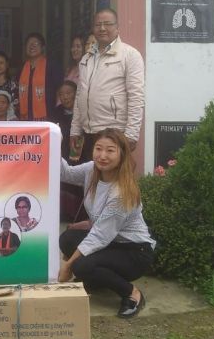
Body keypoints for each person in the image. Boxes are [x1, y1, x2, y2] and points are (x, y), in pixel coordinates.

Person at [58, 128, 155, 318]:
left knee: (80, 266)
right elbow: (65, 173)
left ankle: (131, 293)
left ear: (122, 154)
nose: (102, 156)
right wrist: (54, 141)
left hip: (135, 252)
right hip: (112, 242)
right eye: (98, 148)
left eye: (110, 150)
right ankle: (98, 280)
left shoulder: (121, 192)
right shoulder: (91, 170)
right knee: (68, 238)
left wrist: (67, 265)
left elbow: (99, 236)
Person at [70, 9, 145, 162]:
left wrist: (131, 135)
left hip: (115, 134)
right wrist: (75, 130)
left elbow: (136, 97)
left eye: (107, 24)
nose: (102, 28)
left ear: (117, 27)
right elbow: (80, 96)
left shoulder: (130, 55)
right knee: (91, 181)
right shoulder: (87, 58)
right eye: (98, 24)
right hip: (88, 133)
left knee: (113, 183)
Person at [18, 32, 62, 121]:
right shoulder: (22, 68)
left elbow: (59, 89)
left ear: (42, 48)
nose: (32, 46)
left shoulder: (52, 66)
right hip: (25, 117)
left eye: (36, 43)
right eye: (29, 44)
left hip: (48, 116)